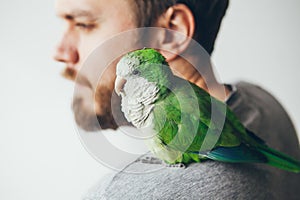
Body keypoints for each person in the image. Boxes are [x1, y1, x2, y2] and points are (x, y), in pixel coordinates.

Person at [54, 0, 300, 199]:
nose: (60, 52)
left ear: (171, 33)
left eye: (84, 24)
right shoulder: (259, 99)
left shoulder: (120, 194)